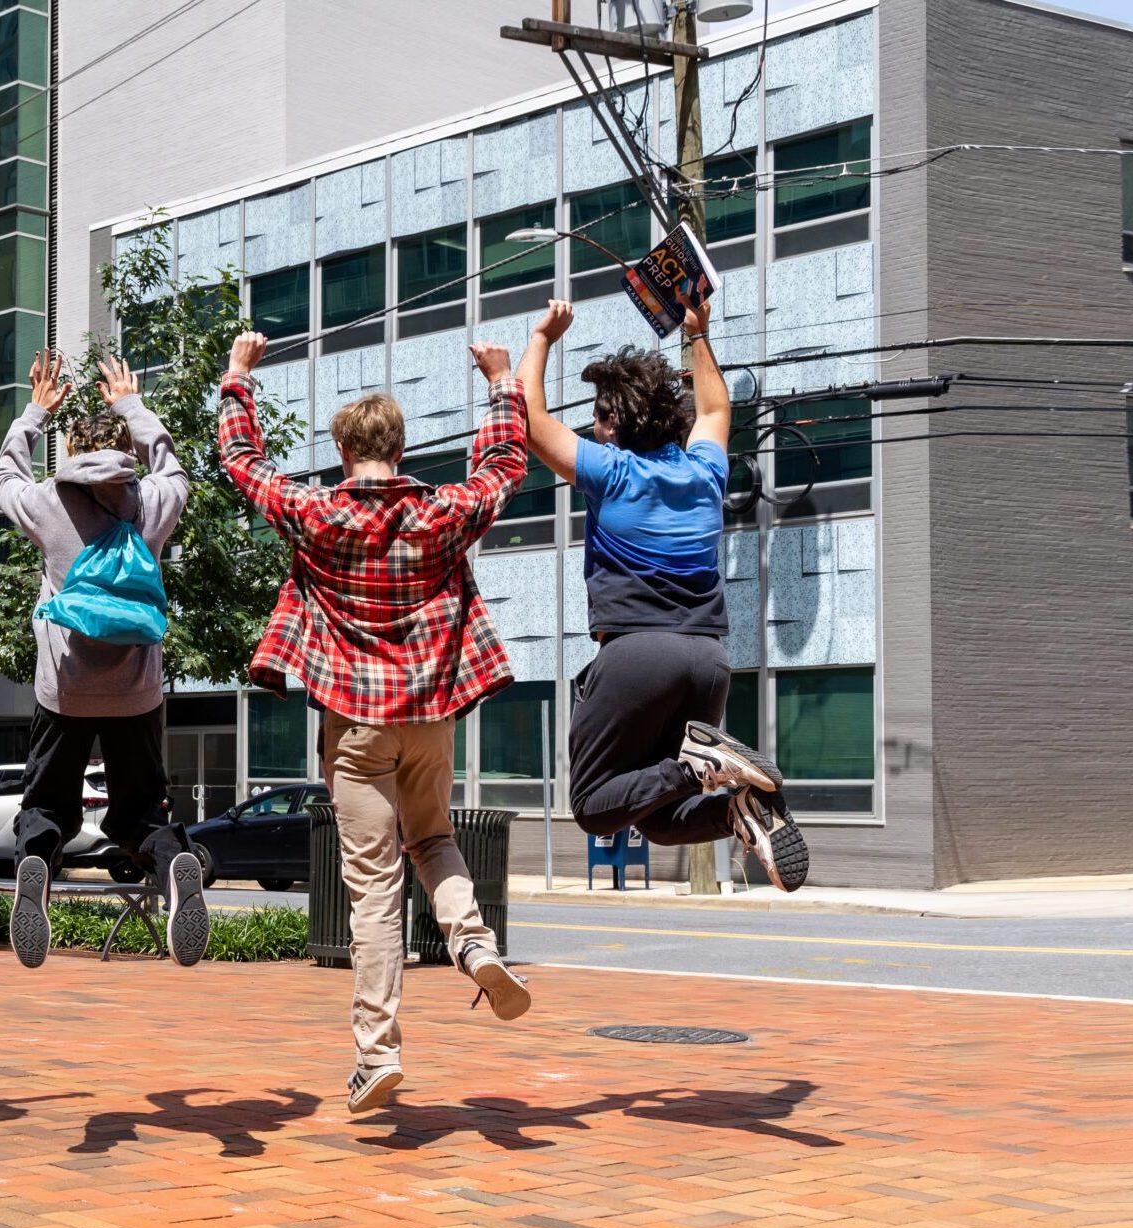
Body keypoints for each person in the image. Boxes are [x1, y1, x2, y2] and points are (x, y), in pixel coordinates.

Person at [218, 330, 535, 1115]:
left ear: (341, 447)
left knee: (373, 891)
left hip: (356, 727)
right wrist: (500, 384)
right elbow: (503, 470)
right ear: (400, 446)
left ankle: (377, 1052)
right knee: (434, 839)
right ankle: (471, 940)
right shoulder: (438, 514)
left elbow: (243, 465)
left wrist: (238, 377)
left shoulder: (318, 514)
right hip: (429, 717)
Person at [518, 298, 807, 891]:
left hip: (637, 657)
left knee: (595, 805)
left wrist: (542, 337)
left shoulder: (611, 471)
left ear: (615, 426)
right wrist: (698, 334)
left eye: (599, 418)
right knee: (662, 820)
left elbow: (527, 419)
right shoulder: (702, 472)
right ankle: (736, 809)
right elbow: (716, 405)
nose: (593, 428)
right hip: (709, 662)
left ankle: (703, 764)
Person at [0, 349, 208, 969]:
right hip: (138, 691)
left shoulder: (46, 503)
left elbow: (5, 475)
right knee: (139, 809)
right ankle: (172, 865)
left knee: (46, 806)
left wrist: (36, 409)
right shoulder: (153, 503)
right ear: (128, 455)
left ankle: (38, 859)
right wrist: (132, 405)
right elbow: (175, 468)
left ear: (69, 455)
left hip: (63, 688)